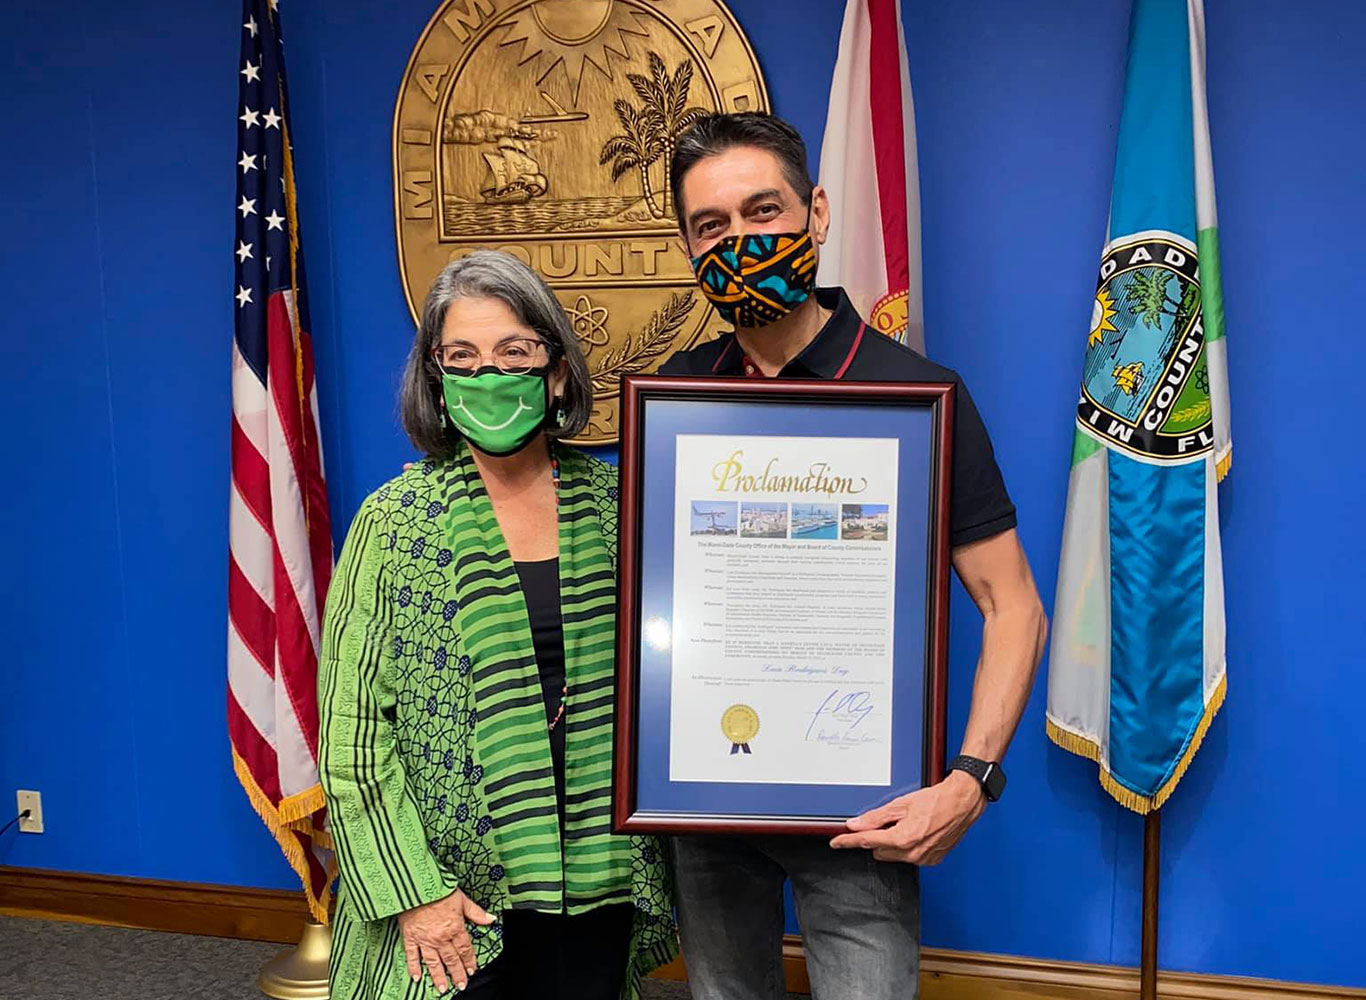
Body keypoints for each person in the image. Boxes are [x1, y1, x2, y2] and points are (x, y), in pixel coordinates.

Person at [657, 112, 1048, 999]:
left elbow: (1012, 603)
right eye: (710, 226)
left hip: (863, 809)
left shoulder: (918, 396)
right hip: (706, 801)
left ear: (818, 213)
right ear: (686, 244)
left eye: (764, 212)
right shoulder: (674, 400)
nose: (741, 241)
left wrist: (971, 780)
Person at [318, 250, 675, 1000]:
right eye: (463, 357)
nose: (490, 375)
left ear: (555, 374)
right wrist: (416, 892)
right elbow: (351, 738)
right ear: (438, 382)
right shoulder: (393, 523)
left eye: (515, 351)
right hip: (452, 894)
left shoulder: (624, 508)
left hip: (597, 878)